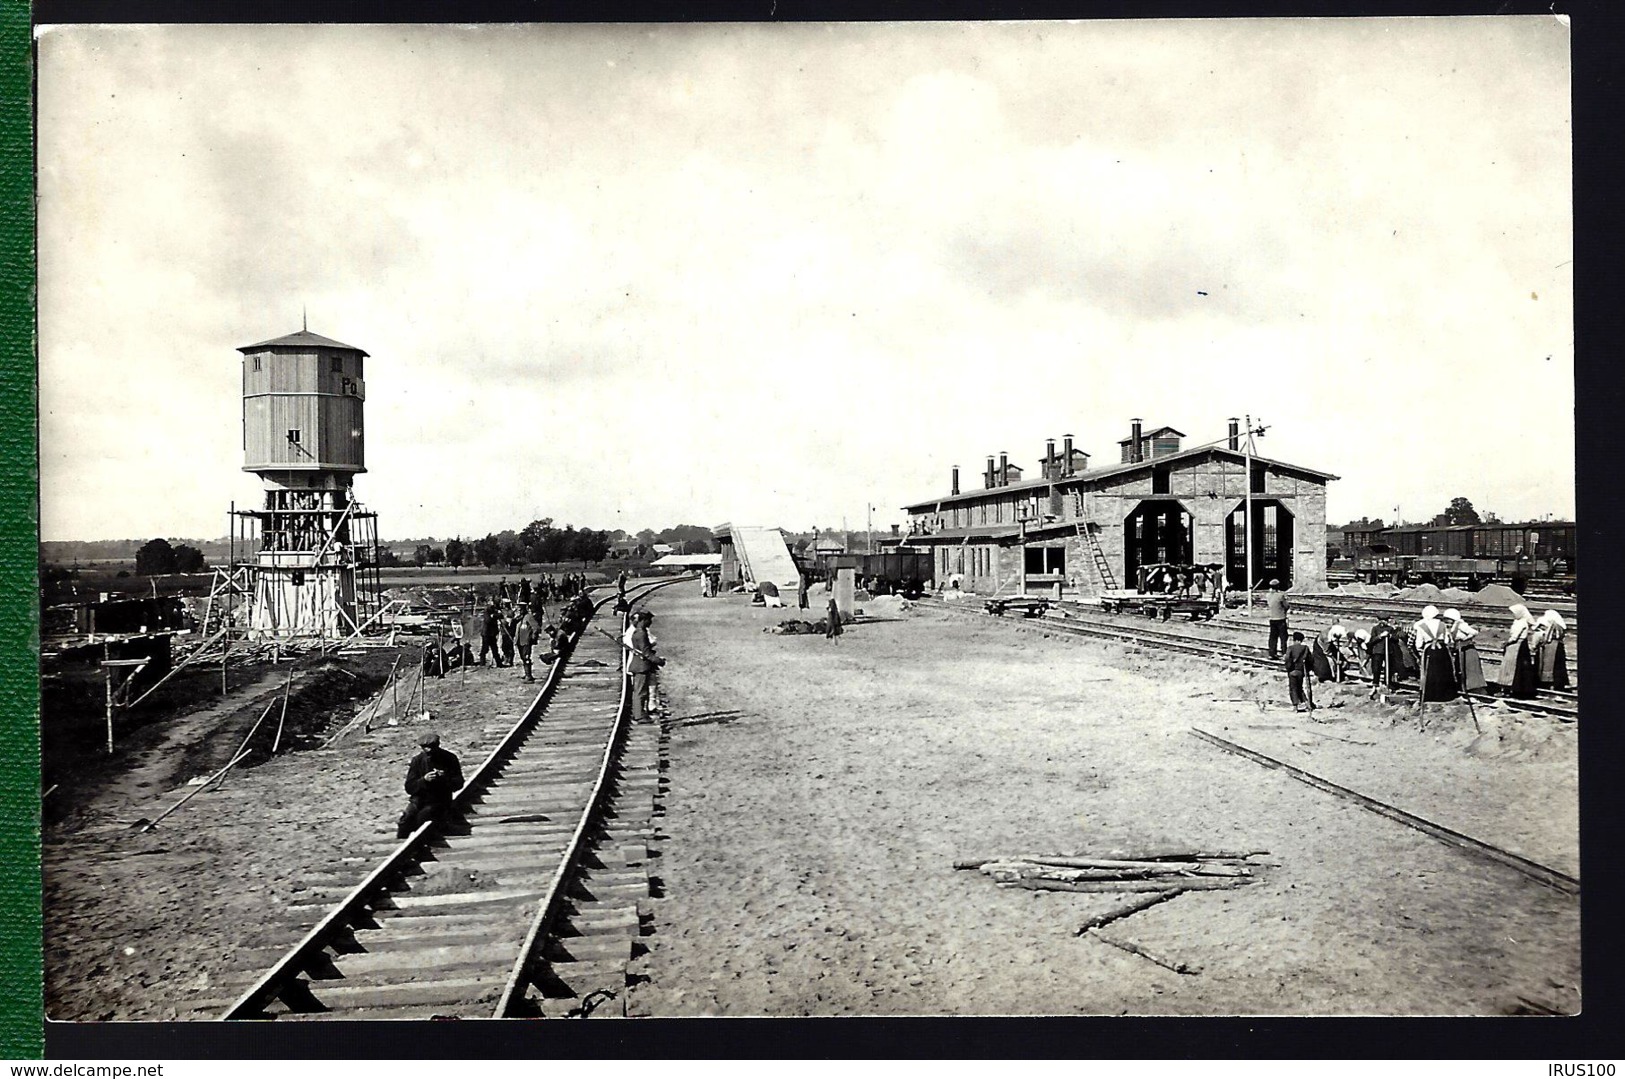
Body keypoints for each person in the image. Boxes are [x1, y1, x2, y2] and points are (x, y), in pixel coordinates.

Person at [396, 732, 464, 839]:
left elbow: (459, 783)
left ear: (438, 745)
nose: (428, 750)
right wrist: (424, 780)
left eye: (431, 747)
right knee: (406, 819)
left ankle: (420, 843)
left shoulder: (449, 759)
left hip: (440, 800)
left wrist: (444, 778)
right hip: (419, 799)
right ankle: (401, 844)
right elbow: (409, 787)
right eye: (424, 748)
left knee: (424, 817)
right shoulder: (417, 761)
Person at [624, 610, 664, 722]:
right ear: (642, 620)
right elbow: (646, 653)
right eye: (648, 620)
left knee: (641, 691)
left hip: (641, 665)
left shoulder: (638, 632)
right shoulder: (641, 634)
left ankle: (640, 713)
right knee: (640, 692)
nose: (650, 622)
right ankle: (639, 715)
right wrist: (659, 661)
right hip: (641, 666)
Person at [1412, 604, 1457, 702]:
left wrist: (1420, 651)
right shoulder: (1442, 624)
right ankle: (1445, 695)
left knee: (1430, 673)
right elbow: (1446, 640)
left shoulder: (1421, 626)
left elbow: (1418, 643)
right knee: (1443, 671)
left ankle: (1431, 695)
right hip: (1442, 650)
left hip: (1429, 650)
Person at [1496, 604, 1540, 698]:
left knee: (1510, 667)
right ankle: (1510, 688)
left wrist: (1506, 643)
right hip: (1517, 645)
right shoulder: (1517, 621)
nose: (1513, 614)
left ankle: (1508, 688)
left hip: (1516, 646)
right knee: (1513, 667)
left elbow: (1515, 637)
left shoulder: (1521, 623)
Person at [1443, 609, 1487, 693]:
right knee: (1460, 668)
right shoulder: (1450, 627)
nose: (1448, 623)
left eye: (1449, 620)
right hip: (1459, 650)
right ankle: (1463, 687)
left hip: (1467, 650)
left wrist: (1465, 638)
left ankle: (1474, 688)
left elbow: (1474, 632)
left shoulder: (1461, 625)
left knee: (1470, 668)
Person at [1537, 610, 1569, 690]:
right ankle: (1558, 684)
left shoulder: (1553, 624)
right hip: (1559, 646)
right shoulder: (1560, 625)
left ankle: (1550, 683)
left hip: (1552, 647)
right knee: (1559, 666)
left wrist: (1542, 642)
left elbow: (1547, 637)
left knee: (1551, 666)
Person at [1285, 631, 1313, 712]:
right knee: (1300, 688)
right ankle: (1307, 703)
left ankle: (1295, 706)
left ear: (1294, 639)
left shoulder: (1290, 648)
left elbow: (1287, 659)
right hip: (1301, 671)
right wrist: (1308, 669)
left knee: (1293, 688)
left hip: (1292, 671)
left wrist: (1288, 668)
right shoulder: (1305, 648)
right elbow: (1310, 660)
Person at [1264, 580, 1289, 660]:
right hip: (1281, 618)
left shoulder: (1268, 595)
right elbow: (1286, 606)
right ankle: (1284, 652)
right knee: (1283, 637)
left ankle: (1272, 653)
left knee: (1273, 637)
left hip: (1272, 618)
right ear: (1278, 586)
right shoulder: (1280, 595)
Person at [515, 609, 541, 682]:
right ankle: (526, 673)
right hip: (520, 641)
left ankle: (529, 676)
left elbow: (536, 627)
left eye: (521, 609)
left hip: (526, 641)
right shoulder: (520, 618)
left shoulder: (529, 617)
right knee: (523, 657)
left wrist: (532, 637)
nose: (519, 611)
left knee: (526, 658)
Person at [478, 602, 501, 667]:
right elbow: (488, 620)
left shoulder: (494, 612)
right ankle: (482, 662)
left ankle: (498, 663)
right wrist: (494, 616)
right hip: (486, 633)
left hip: (492, 634)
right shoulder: (486, 613)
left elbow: (500, 616)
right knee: (485, 648)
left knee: (495, 649)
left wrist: (494, 615)